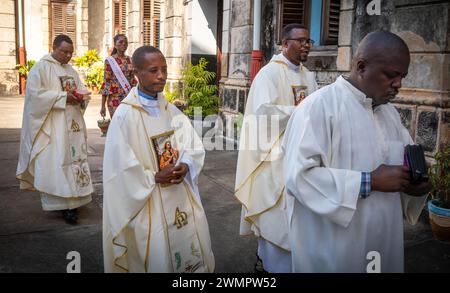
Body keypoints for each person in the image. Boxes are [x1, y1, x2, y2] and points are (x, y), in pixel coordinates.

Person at [282, 31, 431, 273]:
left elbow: (406, 167)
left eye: (402, 77)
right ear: (361, 67)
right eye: (391, 75)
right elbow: (298, 178)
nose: (398, 85)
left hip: (384, 241)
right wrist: (368, 181)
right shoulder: (318, 108)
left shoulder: (390, 114)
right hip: (334, 249)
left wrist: (417, 184)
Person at [102, 46, 215, 273]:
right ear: (136, 72)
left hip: (179, 194)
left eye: (163, 69)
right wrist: (153, 176)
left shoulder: (171, 110)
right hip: (148, 201)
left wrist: (187, 165)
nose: (161, 76)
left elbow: (192, 145)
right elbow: (119, 169)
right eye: (153, 70)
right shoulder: (125, 116)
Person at [234, 23, 317, 273]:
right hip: (274, 156)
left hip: (302, 156)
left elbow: (317, 112)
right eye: (299, 40)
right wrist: (300, 113)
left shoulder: (308, 76)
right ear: (284, 44)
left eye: (308, 41)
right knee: (275, 217)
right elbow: (262, 114)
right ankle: (268, 265)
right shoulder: (269, 74)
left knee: (298, 221)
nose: (305, 45)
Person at [16, 34, 93, 224]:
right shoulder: (41, 68)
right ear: (54, 47)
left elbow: (80, 89)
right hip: (54, 126)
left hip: (73, 124)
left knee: (75, 162)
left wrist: (82, 97)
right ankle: (64, 206)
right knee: (58, 162)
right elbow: (34, 96)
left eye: (71, 53)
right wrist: (62, 97)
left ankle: (76, 201)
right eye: (64, 51)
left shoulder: (71, 70)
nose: (68, 56)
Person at [100, 34, 137, 118]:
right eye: (121, 42)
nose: (124, 44)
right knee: (117, 125)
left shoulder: (130, 60)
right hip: (114, 100)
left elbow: (133, 80)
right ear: (115, 45)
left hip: (129, 98)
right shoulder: (109, 61)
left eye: (126, 42)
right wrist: (102, 106)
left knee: (129, 126)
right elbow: (107, 82)